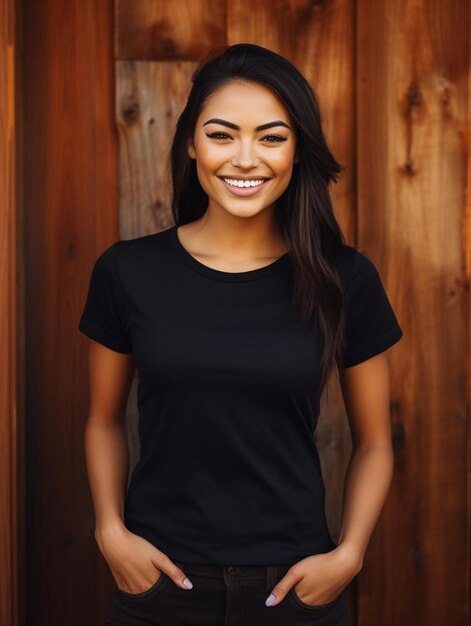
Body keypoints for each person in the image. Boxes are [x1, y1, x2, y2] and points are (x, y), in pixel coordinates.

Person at [78, 43, 403, 626]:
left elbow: (376, 442)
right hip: (159, 587)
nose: (246, 158)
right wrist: (110, 530)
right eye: (223, 135)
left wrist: (349, 555)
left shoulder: (344, 278)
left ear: (298, 149)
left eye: (272, 137)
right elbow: (102, 419)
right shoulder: (127, 272)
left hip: (298, 591)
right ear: (191, 143)